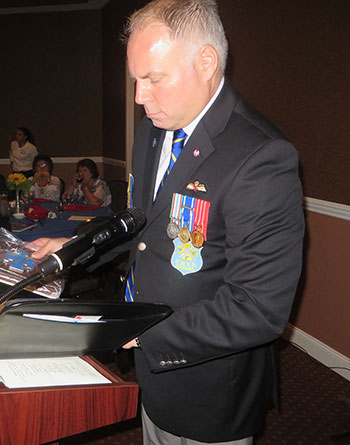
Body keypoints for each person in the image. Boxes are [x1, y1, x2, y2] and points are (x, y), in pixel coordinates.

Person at [31, 0, 304, 443]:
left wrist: (141, 334)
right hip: (152, 373)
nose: (140, 97)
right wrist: (72, 249)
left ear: (206, 62)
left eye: (154, 79)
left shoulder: (261, 156)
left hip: (207, 384)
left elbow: (257, 309)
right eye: (136, 79)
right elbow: (140, 224)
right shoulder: (154, 130)